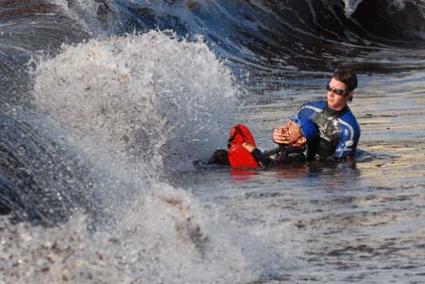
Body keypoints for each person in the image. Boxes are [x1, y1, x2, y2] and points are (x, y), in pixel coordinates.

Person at [273, 69, 360, 161]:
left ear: (349, 94)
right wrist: (279, 138)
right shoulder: (307, 109)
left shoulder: (349, 130)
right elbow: (292, 135)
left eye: (337, 91)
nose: (330, 94)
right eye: (329, 88)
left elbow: (340, 165)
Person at [208, 116, 318, 169]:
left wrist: (254, 151)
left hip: (258, 171)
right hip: (258, 166)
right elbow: (268, 158)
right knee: (221, 154)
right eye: (286, 124)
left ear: (301, 140)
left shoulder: (297, 156)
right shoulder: (283, 150)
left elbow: (274, 165)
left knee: (218, 158)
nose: (284, 127)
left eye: (290, 127)